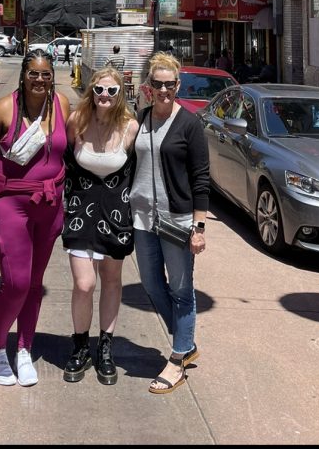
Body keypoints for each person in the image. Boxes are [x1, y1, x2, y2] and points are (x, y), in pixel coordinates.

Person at [0, 49, 70, 387]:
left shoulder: (60, 104)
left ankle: (24, 347)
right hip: (11, 203)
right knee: (16, 281)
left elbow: (77, 143)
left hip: (49, 203)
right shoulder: (5, 108)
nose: (39, 79)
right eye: (33, 73)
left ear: (52, 77)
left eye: (46, 74)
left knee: (34, 283)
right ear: (23, 75)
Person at [130, 51, 209, 395]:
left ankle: (177, 359)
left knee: (181, 289)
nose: (163, 89)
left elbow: (201, 178)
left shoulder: (190, 124)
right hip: (143, 218)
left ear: (178, 85)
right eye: (157, 83)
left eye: (169, 84)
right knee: (150, 284)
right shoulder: (141, 117)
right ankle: (186, 341)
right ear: (149, 86)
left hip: (177, 220)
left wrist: (199, 227)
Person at [62, 67, 138, 385]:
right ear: (91, 92)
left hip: (116, 216)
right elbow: (62, 160)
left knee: (111, 281)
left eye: (111, 92)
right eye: (99, 91)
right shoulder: (76, 122)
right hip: (81, 212)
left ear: (120, 94)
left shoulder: (131, 127)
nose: (104, 97)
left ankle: (105, 348)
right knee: (84, 284)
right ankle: (80, 345)